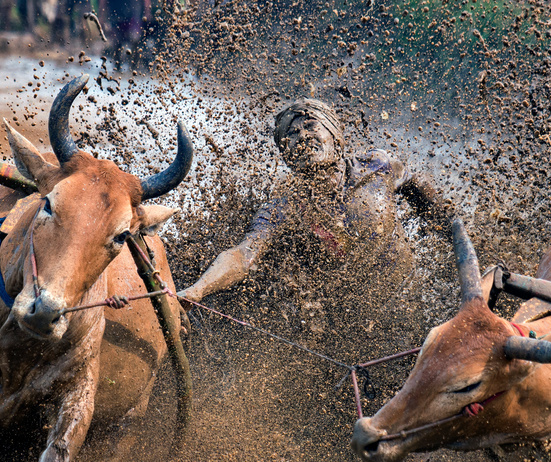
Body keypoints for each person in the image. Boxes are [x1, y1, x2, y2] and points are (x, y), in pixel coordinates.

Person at [178, 97, 454, 324]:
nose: (302, 136)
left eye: (311, 125)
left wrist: (463, 242)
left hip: (412, 299)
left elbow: (431, 203)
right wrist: (198, 290)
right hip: (355, 323)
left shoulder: (377, 166)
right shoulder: (283, 207)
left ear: (336, 137)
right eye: (291, 134)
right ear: (286, 156)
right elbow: (242, 255)